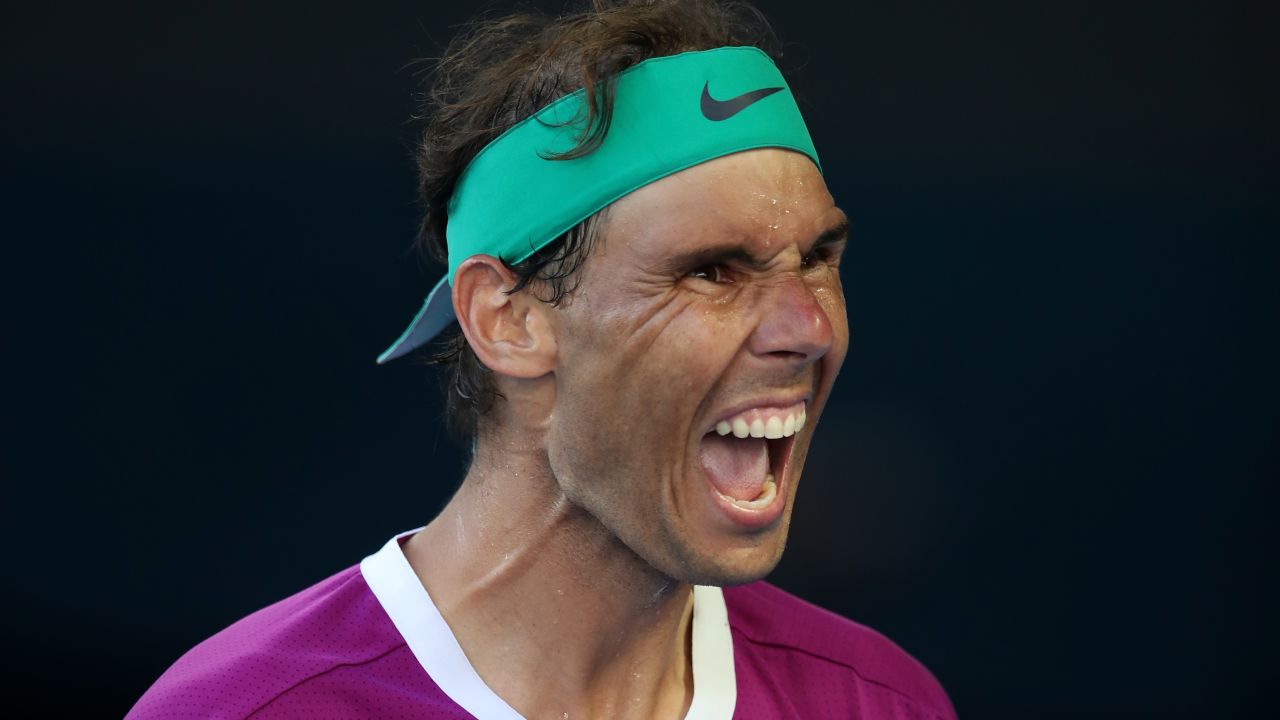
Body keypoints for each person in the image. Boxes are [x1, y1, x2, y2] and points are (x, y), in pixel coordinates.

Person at [127, 1, 956, 718]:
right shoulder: (241, 711)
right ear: (508, 320)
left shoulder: (883, 701)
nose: (809, 326)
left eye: (817, 260)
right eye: (711, 271)